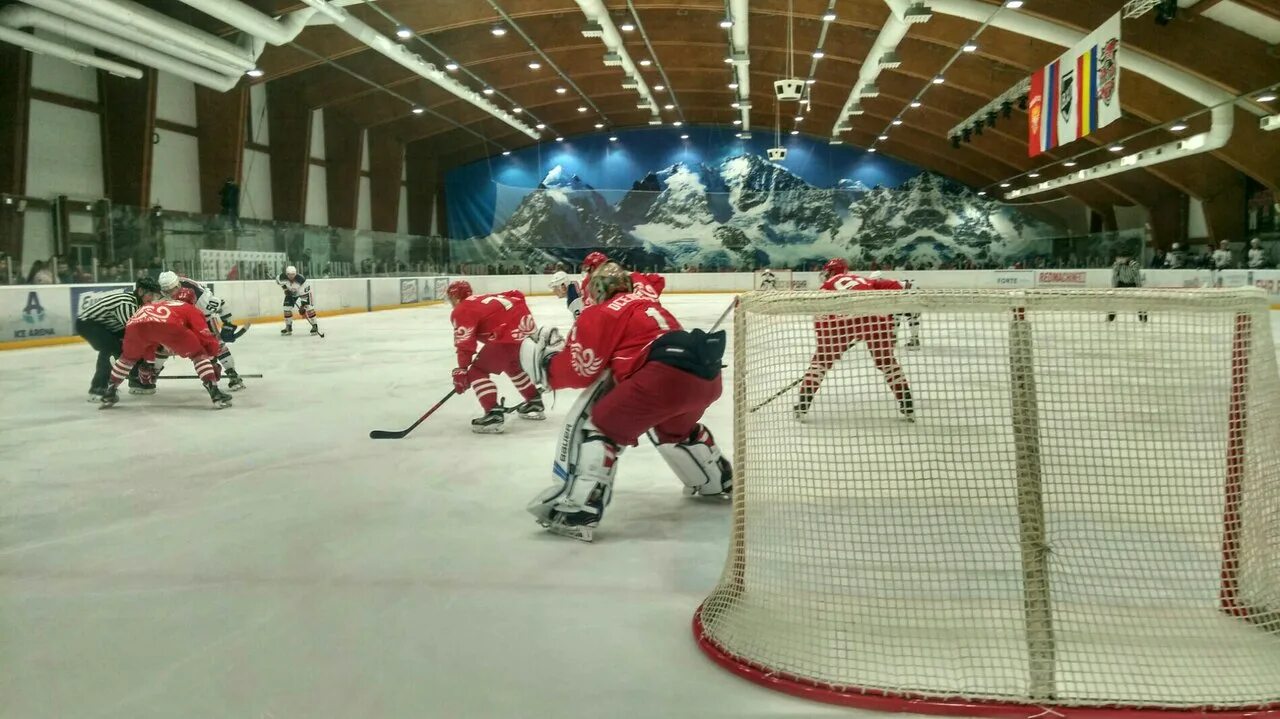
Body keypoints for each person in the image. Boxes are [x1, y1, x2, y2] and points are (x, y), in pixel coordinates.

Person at [518, 262, 732, 542]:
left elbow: (581, 370)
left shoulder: (600, 312)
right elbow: (654, 278)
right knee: (674, 431)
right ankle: (717, 481)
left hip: (663, 377)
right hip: (706, 376)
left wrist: (548, 368)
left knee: (601, 427)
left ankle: (580, 508)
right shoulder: (647, 299)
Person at [795, 258, 914, 421]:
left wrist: (830, 346)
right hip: (874, 316)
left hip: (839, 320)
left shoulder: (826, 287)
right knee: (887, 362)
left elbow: (821, 316)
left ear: (831, 272)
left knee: (820, 363)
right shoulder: (864, 279)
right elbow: (901, 286)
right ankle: (907, 403)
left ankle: (803, 405)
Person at [98, 288, 233, 409]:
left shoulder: (156, 303)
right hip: (169, 326)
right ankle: (214, 392)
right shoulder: (190, 308)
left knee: (127, 359)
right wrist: (212, 358)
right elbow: (205, 336)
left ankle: (110, 392)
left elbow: (150, 336)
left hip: (135, 324)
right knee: (199, 354)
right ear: (193, 301)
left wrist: (148, 363)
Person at [447, 280, 544, 434]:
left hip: (504, 337)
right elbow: (516, 295)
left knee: (477, 371)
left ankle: (493, 414)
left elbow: (465, 344)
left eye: (451, 299)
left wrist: (462, 369)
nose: (451, 303)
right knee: (513, 367)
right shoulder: (480, 299)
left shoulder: (462, 309)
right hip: (523, 335)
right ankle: (534, 401)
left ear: (456, 297)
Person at [76, 277, 163, 401]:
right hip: (89, 324)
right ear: (140, 291)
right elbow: (134, 331)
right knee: (111, 348)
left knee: (132, 347)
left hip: (108, 326)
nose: (153, 298)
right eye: (150, 294)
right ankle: (99, 389)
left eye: (155, 295)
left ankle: (136, 380)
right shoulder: (127, 303)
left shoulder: (139, 304)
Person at [157, 270, 246, 390]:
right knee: (161, 346)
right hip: (180, 322)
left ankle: (233, 375)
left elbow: (222, 305)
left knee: (217, 345)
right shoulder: (159, 295)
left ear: (178, 285)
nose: (170, 294)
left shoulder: (201, 297)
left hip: (203, 318)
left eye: (171, 290)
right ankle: (153, 371)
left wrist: (228, 325)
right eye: (166, 291)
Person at [577, 252, 665, 311]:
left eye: (589, 270)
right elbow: (659, 280)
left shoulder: (599, 285)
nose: (588, 274)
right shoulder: (633, 276)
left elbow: (590, 313)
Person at [276, 265, 321, 335]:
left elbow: (304, 295)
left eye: (293, 274)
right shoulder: (281, 277)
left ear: (296, 273)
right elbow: (279, 282)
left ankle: (314, 325)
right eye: (289, 274)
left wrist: (302, 307)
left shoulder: (301, 280)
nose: (291, 276)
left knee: (309, 307)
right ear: (286, 274)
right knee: (286, 308)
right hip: (291, 292)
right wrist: (285, 289)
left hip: (303, 292)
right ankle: (288, 326)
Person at [1108, 254, 1148, 323]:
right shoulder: (1116, 265)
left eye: (1122, 258)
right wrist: (1114, 287)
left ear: (1127, 258)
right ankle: (1111, 316)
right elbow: (1115, 276)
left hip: (1132, 284)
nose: (1120, 259)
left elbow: (1137, 275)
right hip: (1121, 283)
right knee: (1113, 299)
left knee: (1139, 300)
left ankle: (1143, 316)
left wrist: (1139, 287)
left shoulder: (1134, 264)